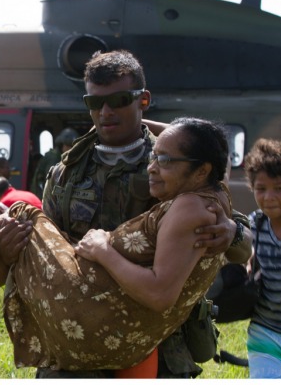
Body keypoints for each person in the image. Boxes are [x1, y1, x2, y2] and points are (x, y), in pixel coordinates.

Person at [0, 117, 236, 375]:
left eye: (164, 160)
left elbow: (159, 293)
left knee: (20, 216)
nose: (153, 166)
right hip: (107, 317)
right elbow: (211, 150)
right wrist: (132, 115)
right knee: (16, 242)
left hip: (95, 313)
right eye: (153, 156)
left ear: (200, 170)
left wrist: (103, 251)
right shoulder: (213, 191)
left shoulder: (190, 208)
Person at [36, 49, 253, 378]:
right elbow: (49, 246)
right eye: (95, 103)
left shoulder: (177, 160)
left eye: (120, 99)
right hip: (80, 335)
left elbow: (242, 248)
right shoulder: (66, 173)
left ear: (143, 99)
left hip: (161, 343)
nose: (105, 112)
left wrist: (231, 232)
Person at [243, 138, 281, 378]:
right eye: (261, 189)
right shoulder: (255, 224)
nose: (269, 196)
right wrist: (245, 260)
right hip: (265, 333)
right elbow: (243, 250)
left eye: (280, 188)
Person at [30, 127, 79, 198]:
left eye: (72, 147)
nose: (71, 149)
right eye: (68, 146)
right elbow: (52, 181)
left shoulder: (61, 156)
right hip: (42, 194)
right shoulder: (53, 158)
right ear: (62, 145)